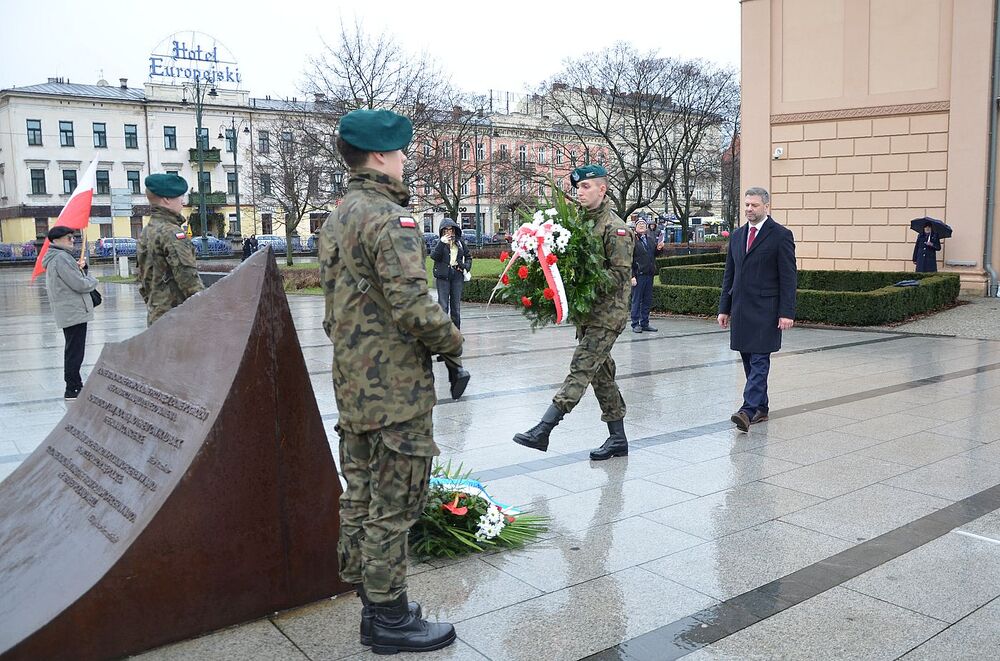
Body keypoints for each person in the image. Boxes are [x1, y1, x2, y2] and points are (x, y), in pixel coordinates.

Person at [318, 108, 464, 654]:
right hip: (396, 389)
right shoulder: (391, 219)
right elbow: (413, 307)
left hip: (352, 385)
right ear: (380, 156)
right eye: (400, 152)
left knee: (358, 495)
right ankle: (391, 619)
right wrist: (454, 342)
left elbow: (334, 313)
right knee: (396, 502)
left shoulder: (336, 218)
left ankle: (371, 606)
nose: (404, 161)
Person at [513, 164, 634, 460]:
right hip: (588, 313)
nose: (579, 192)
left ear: (602, 189)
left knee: (581, 367)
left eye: (586, 187)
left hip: (608, 314)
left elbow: (620, 274)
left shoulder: (614, 227)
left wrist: (580, 281)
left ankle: (544, 428)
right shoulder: (580, 222)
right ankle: (618, 439)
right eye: (578, 188)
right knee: (601, 375)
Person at [718, 187, 797, 432]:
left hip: (767, 310)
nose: (749, 209)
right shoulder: (738, 235)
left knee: (760, 360)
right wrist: (724, 308)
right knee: (749, 362)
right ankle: (761, 408)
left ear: (766, 207)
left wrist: (787, 312)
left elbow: (788, 277)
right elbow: (729, 274)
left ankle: (747, 409)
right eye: (747, 205)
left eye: (754, 205)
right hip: (741, 309)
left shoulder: (781, 235)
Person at [136, 173, 204, 326]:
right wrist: (207, 309)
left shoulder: (147, 231)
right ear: (166, 199)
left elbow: (143, 280)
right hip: (177, 319)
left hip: (156, 315)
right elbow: (189, 281)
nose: (183, 201)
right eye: (179, 196)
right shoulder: (172, 233)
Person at [43, 226, 99, 400]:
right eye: (69, 238)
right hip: (73, 312)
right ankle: (73, 388)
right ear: (56, 240)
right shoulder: (61, 258)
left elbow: (73, 279)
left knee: (73, 349)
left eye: (73, 237)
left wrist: (83, 268)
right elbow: (80, 284)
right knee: (75, 351)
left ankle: (75, 384)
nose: (72, 240)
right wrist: (93, 279)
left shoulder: (58, 257)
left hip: (69, 311)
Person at [430, 218, 472, 329]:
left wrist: (466, 267)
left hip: (457, 275)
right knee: (443, 306)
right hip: (443, 276)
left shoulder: (459, 242)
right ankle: (443, 333)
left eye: (451, 230)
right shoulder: (438, 242)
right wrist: (441, 243)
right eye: (446, 230)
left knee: (456, 307)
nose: (449, 232)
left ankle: (456, 332)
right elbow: (434, 256)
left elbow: (468, 256)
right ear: (442, 231)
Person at [630, 218, 664, 333]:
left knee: (647, 300)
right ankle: (635, 323)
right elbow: (629, 259)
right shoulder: (632, 241)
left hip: (649, 274)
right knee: (636, 300)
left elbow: (654, 254)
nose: (641, 226)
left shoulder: (649, 239)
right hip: (638, 275)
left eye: (643, 225)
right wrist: (632, 276)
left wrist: (659, 249)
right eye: (639, 224)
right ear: (635, 227)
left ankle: (645, 322)